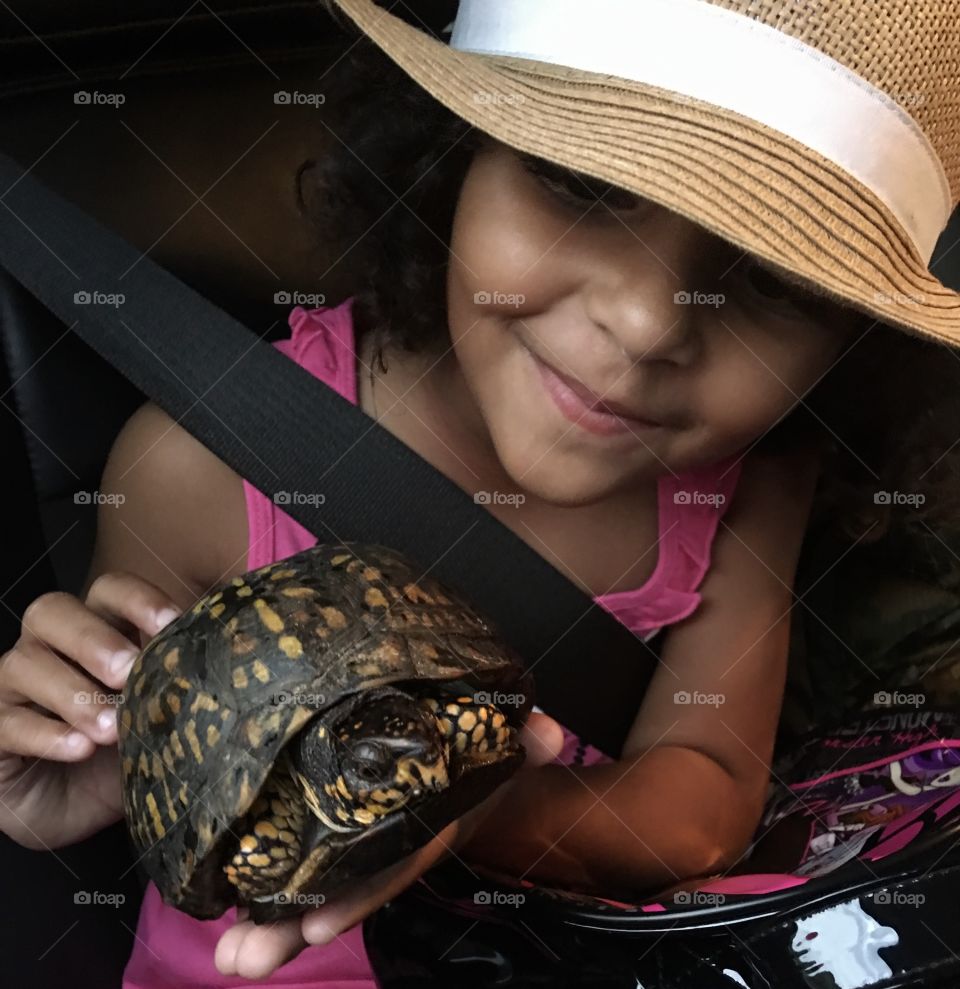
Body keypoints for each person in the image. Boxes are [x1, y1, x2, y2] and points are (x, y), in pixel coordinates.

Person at [2, 0, 958, 985]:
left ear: (848, 348)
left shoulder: (753, 486)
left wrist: (472, 805)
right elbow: (133, 785)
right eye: (582, 184)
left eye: (772, 282)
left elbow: (705, 794)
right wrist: (97, 751)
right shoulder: (198, 468)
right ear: (450, 154)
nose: (642, 323)